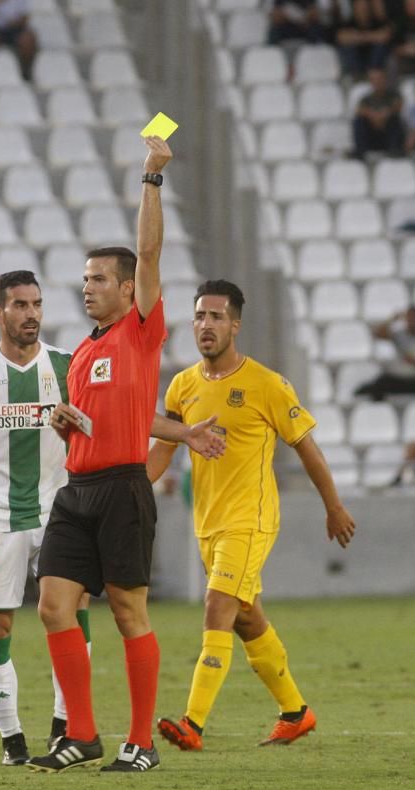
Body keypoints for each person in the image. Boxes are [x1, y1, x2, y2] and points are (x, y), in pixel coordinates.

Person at [0, 269, 222, 766]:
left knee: (71, 611)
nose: (31, 314)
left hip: (63, 509)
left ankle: (67, 727)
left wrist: (179, 436)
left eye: (36, 304)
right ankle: (12, 740)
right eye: (20, 306)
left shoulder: (66, 364)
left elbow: (124, 418)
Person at [148, 280, 355, 754]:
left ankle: (193, 724)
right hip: (208, 522)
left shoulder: (267, 384)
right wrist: (132, 491)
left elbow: (308, 449)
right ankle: (296, 712)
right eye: (200, 315)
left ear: (235, 326)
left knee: (217, 607)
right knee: (245, 617)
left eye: (216, 317)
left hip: (251, 518)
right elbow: (163, 448)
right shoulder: (182, 385)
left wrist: (334, 506)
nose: (206, 325)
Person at [25, 135, 173, 774]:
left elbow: (148, 250)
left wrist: (151, 176)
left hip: (122, 486)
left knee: (126, 609)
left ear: (127, 287)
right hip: (77, 487)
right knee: (54, 605)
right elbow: (91, 422)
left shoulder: (140, 329)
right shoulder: (83, 351)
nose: (87, 288)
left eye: (97, 279)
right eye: (84, 279)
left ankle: (140, 742)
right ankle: (81, 734)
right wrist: (65, 425)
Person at [356, 306, 415, 401]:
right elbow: (378, 334)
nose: (411, 322)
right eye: (409, 319)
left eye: (414, 318)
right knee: (378, 386)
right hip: (399, 379)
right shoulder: (399, 335)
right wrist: (392, 320)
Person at [352, 66, 405, 158]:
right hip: (372, 135)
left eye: (380, 79)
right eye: (374, 80)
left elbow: (398, 106)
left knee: (395, 119)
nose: (377, 82)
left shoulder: (393, 95)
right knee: (359, 121)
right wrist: (374, 115)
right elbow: (359, 110)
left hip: (387, 134)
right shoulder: (366, 98)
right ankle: (360, 151)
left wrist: (385, 114)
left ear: (385, 80)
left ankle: (395, 150)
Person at [334, 0, 392, 79]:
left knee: (381, 46)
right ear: (354, 9)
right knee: (347, 48)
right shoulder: (349, 22)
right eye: (360, 7)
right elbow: (341, 37)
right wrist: (371, 36)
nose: (363, 10)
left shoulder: (376, 21)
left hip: (374, 60)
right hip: (356, 61)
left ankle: (373, 73)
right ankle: (358, 76)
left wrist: (358, 37)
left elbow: (386, 35)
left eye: (365, 7)